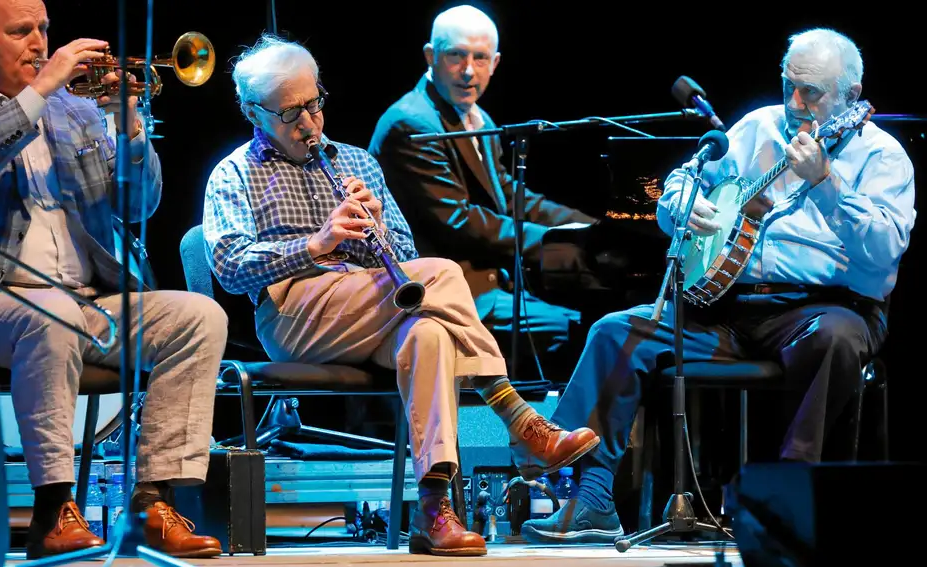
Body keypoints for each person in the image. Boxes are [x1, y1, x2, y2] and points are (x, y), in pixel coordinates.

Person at [202, 34, 599, 557]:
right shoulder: (235, 173)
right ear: (254, 113)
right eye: (289, 113)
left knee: (430, 332)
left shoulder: (359, 164)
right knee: (444, 273)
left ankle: (434, 509)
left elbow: (406, 258)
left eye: (314, 103)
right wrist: (317, 243)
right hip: (297, 316)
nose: (309, 123)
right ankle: (519, 420)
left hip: (377, 307)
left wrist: (378, 231)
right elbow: (230, 267)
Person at [519, 27, 916, 544]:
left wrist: (827, 183)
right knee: (617, 332)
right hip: (729, 308)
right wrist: (684, 205)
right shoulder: (759, 127)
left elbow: (885, 250)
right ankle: (590, 497)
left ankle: (786, 509)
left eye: (811, 93)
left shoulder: (882, 157)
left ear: (850, 97)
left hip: (825, 309)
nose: (795, 103)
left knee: (834, 338)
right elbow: (686, 179)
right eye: (788, 85)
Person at [0, 0, 227, 559]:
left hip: (84, 298)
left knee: (198, 316)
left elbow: (138, 204)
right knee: (52, 317)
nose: (39, 44)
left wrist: (129, 123)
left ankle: (153, 500)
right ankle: (54, 507)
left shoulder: (75, 110)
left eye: (43, 29)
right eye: (21, 32)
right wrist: (36, 95)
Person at [368, 5, 598, 369]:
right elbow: (458, 221)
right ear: (431, 56)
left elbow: (508, 195)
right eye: (456, 56)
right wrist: (560, 241)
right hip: (439, 291)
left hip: (487, 282)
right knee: (575, 330)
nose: (469, 71)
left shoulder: (476, 117)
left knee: (595, 315)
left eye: (480, 58)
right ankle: (533, 423)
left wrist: (589, 227)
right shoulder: (413, 123)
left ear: (496, 63)